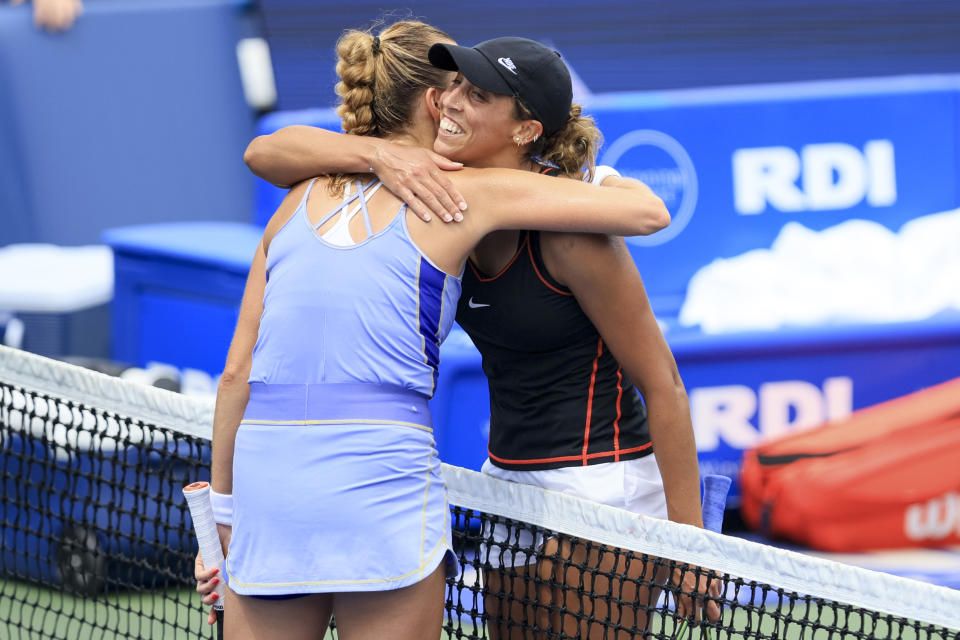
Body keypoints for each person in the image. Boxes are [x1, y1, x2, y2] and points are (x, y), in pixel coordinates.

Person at [229, 33, 721, 640]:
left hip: (604, 486)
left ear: (524, 131)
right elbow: (268, 152)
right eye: (453, 86)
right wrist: (378, 156)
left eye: (478, 94)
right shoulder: (438, 199)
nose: (452, 101)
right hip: (508, 483)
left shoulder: (571, 233)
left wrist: (691, 543)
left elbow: (663, 382)